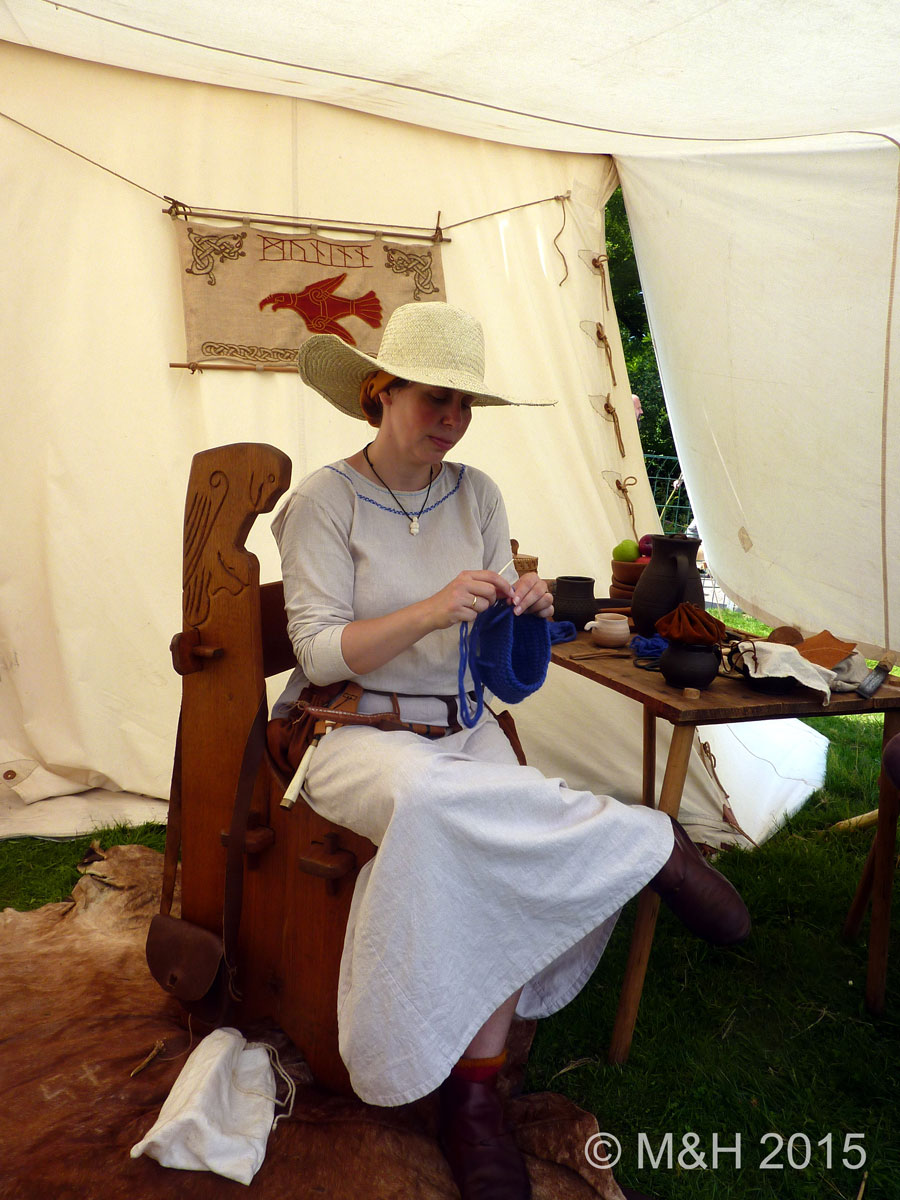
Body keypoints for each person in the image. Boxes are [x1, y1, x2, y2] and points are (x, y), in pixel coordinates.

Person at [272, 302, 749, 1200]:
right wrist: (425, 609)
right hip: (352, 732)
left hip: (463, 725)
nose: (451, 420)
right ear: (382, 394)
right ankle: (644, 843)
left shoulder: (477, 493)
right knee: (430, 803)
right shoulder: (323, 502)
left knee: (482, 833)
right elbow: (317, 653)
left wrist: (518, 605)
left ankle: (475, 1098)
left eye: (464, 405)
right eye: (435, 399)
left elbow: (497, 663)